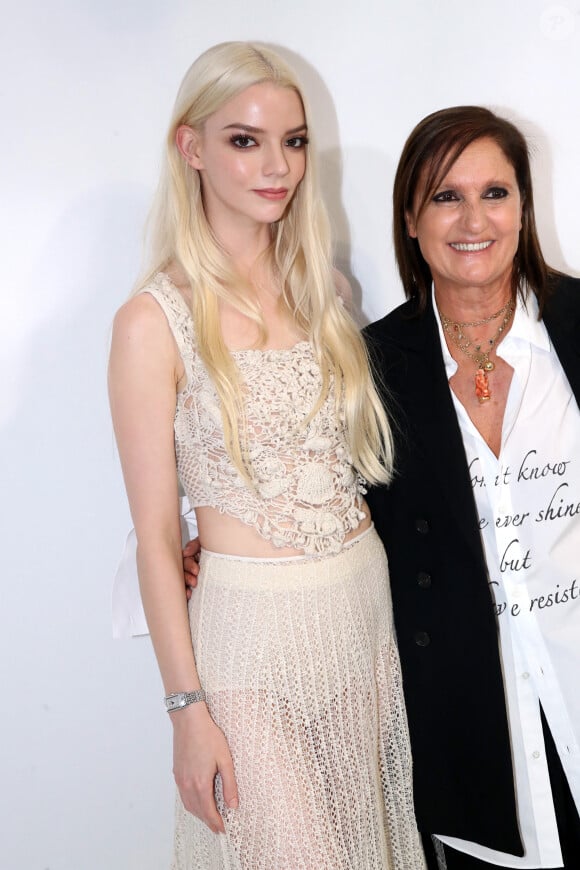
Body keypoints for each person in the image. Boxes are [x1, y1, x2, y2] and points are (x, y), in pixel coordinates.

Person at [108, 42, 425, 869]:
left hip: (358, 611)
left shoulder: (328, 292)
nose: (276, 164)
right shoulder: (153, 321)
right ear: (193, 148)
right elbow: (151, 536)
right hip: (246, 645)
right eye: (245, 139)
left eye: (293, 140)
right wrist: (186, 710)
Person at [363, 107, 580, 868]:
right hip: (469, 740)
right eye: (445, 196)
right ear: (411, 218)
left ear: (524, 207)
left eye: (495, 193)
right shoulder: (368, 368)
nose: (473, 219)